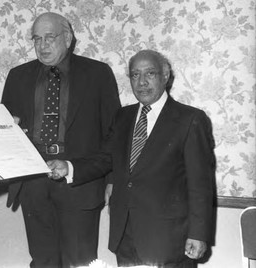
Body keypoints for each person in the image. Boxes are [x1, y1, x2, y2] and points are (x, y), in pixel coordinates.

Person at [48, 50, 216, 267]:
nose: (142, 82)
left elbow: (200, 184)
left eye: (150, 73)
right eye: (135, 75)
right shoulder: (123, 116)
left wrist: (198, 233)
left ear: (166, 76)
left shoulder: (190, 119)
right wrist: (68, 167)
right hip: (125, 236)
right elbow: (105, 158)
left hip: (169, 240)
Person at [1, 12, 121, 267]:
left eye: (49, 38)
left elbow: (114, 134)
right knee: (42, 261)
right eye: (36, 39)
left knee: (79, 261)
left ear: (67, 39)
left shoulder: (98, 74)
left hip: (80, 184)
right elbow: (5, 132)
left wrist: (113, 180)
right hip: (33, 184)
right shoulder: (18, 76)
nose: (42, 45)